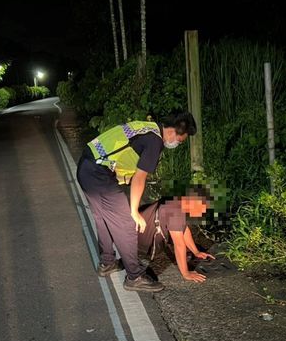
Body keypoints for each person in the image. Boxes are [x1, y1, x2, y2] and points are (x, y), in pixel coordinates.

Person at [76, 111, 197, 292]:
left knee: (102, 218)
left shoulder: (147, 128)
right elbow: (139, 178)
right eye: (180, 141)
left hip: (87, 165)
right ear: (172, 131)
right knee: (126, 222)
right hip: (97, 173)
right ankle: (135, 276)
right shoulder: (155, 141)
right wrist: (134, 211)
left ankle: (107, 262)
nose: (177, 145)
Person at [137, 187, 215, 283]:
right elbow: (179, 245)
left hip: (137, 228)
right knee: (178, 241)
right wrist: (186, 273)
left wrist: (196, 252)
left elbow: (184, 229)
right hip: (136, 241)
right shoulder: (175, 212)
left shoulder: (180, 202)